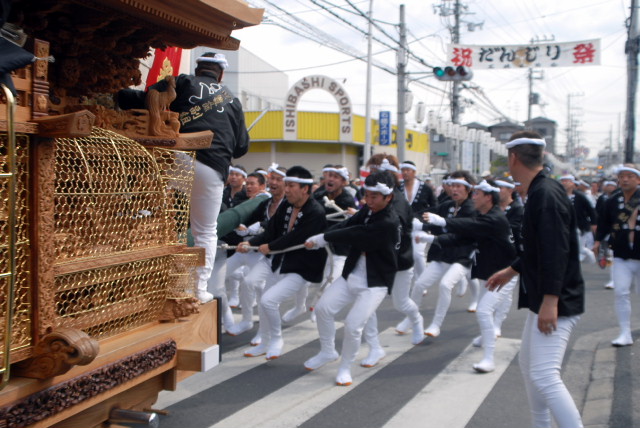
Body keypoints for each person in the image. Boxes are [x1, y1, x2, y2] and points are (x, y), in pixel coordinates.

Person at [121, 52, 250, 303]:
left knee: (150, 207)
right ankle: (199, 290)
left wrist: (119, 95)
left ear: (198, 69)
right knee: (206, 231)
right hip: (212, 167)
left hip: (177, 158)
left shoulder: (183, 81)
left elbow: (145, 98)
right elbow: (241, 147)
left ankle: (140, 268)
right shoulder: (232, 101)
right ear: (221, 75)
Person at [487, 131, 584, 428]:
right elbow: (537, 249)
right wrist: (511, 270)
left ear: (513, 158)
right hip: (544, 296)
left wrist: (551, 301)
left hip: (557, 298)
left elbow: (556, 251)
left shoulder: (545, 194)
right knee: (530, 367)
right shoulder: (540, 190)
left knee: (544, 374)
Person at [303, 171, 400, 386]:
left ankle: (345, 367)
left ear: (388, 197)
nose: (368, 200)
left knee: (353, 325)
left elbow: (356, 233)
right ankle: (327, 351)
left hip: (374, 283)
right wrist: (320, 237)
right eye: (367, 195)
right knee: (323, 309)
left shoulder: (389, 221)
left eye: (374, 196)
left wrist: (324, 237)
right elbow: (348, 224)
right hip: (352, 274)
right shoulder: (367, 210)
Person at [420, 179, 516, 373]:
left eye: (477, 194)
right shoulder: (484, 216)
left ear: (488, 197)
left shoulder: (494, 218)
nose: (474, 198)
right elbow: (462, 238)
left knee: (484, 311)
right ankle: (485, 336)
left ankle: (489, 358)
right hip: (490, 273)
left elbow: (469, 225)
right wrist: (434, 238)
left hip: (505, 274)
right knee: (485, 310)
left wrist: (444, 221)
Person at [238, 166, 327, 360]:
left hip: (300, 268)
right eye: (286, 185)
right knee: (258, 292)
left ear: (305, 188)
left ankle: (276, 339)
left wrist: (270, 246)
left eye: (291, 186)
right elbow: (271, 230)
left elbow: (296, 238)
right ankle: (264, 341)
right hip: (276, 260)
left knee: (268, 301)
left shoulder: (316, 211)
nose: (286, 190)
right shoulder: (286, 205)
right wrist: (251, 243)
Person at [406, 171, 477, 338]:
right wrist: (413, 220)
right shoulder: (448, 205)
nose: (454, 189)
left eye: (458, 186)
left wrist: (431, 235)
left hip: (462, 255)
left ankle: (436, 325)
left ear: (468, 189)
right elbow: (428, 214)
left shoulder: (472, 208)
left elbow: (458, 231)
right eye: (452, 185)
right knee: (419, 284)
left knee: (446, 285)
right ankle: (411, 318)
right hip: (444, 254)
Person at [593, 165, 640, 347]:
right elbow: (604, 223)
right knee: (621, 292)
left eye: (630, 176)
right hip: (621, 254)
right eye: (622, 176)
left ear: (638, 179)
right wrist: (598, 242)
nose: (625, 179)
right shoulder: (613, 200)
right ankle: (624, 332)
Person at [399, 160, 436, 282]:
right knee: (403, 254)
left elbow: (435, 205)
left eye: (407, 170)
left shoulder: (425, 188)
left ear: (414, 172)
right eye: (403, 170)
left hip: (420, 226)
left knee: (418, 254)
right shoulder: (398, 187)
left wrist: (427, 218)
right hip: (403, 226)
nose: (405, 172)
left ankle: (421, 281)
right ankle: (407, 280)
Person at [559, 174, 597, 264]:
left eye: (567, 181)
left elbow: (591, 210)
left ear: (572, 183)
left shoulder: (580, 196)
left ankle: (590, 257)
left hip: (579, 226)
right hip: (563, 226)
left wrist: (594, 223)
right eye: (563, 181)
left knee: (579, 248)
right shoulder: (559, 195)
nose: (564, 183)